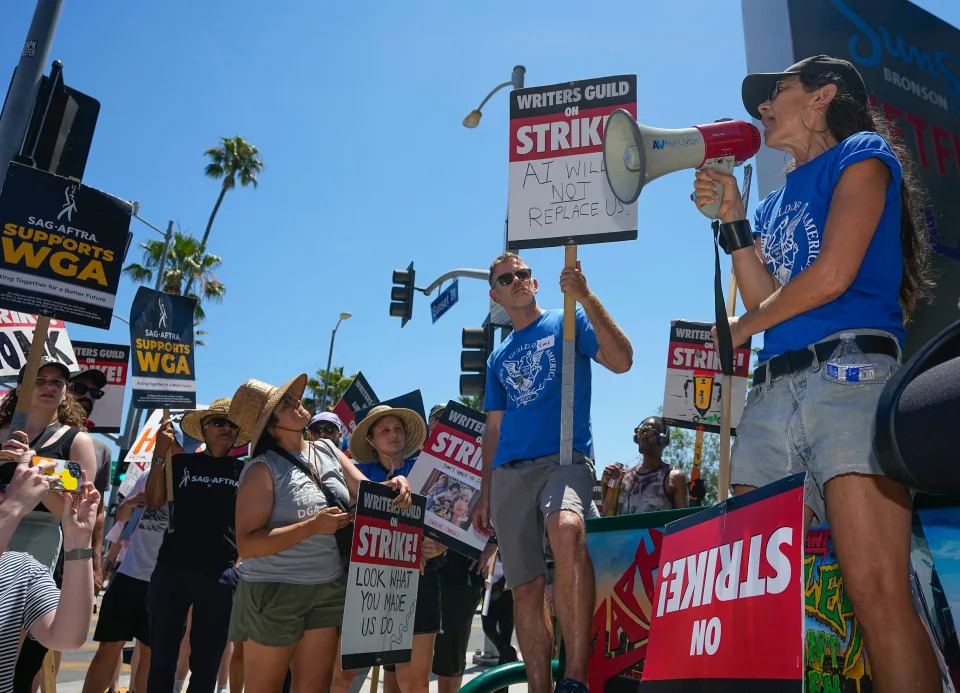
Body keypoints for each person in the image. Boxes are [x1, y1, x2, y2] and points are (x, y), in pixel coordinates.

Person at [692, 54, 938, 689]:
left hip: (849, 381)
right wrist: (734, 222)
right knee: (748, 596)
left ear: (823, 96)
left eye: (776, 91)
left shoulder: (861, 154)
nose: (762, 108)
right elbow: (763, 299)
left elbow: (831, 275)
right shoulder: (771, 201)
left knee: (875, 591)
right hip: (772, 399)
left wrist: (738, 335)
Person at [473, 251, 633, 693]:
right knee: (524, 587)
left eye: (523, 274)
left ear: (536, 282)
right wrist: (484, 491)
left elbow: (622, 361)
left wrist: (585, 296)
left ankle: (576, 678)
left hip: (563, 458)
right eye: (507, 278)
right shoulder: (498, 357)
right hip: (508, 474)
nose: (517, 280)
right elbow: (493, 427)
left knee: (567, 530)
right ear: (496, 294)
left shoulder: (568, 321)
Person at [229, 376, 412, 693]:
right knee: (265, 687)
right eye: (285, 405)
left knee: (315, 687)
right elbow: (248, 544)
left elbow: (367, 492)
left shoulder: (328, 448)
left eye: (292, 399)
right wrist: (311, 527)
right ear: (271, 425)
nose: (297, 403)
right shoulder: (262, 469)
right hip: (274, 591)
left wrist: (398, 485)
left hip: (327, 587)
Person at [0, 357, 98, 693]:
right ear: (22, 387)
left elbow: (73, 511)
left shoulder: (76, 441)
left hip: (38, 539)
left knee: (18, 644)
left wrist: (37, 469)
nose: (48, 386)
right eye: (39, 379)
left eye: (57, 381)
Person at [333, 404, 445, 693]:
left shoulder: (430, 467)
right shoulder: (357, 472)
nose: (393, 434)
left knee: (415, 682)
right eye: (384, 430)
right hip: (367, 584)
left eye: (398, 428)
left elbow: (448, 524)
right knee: (343, 675)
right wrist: (393, 483)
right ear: (370, 440)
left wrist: (439, 546)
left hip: (420, 580)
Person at [144, 398, 248, 693]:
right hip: (172, 569)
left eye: (231, 424)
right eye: (218, 422)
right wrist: (158, 452)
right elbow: (153, 502)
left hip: (221, 573)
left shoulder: (246, 471)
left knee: (207, 664)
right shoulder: (179, 463)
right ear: (203, 430)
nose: (225, 428)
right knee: (161, 658)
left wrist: (239, 564)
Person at [81, 470, 168, 693]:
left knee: (150, 656)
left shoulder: (191, 475)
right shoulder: (149, 475)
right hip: (129, 574)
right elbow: (122, 519)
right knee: (108, 647)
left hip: (164, 581)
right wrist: (130, 503)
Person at [68, 367, 112, 596]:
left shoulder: (101, 449)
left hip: (73, 552)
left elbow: (100, 511)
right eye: (80, 388)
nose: (87, 396)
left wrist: (96, 563)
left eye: (94, 393)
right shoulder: (40, 434)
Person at [602, 416, 687, 514]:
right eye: (640, 431)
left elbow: (684, 522)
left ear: (662, 439)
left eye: (649, 432)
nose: (643, 435)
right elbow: (608, 516)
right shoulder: (625, 477)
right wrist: (605, 485)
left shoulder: (673, 477)